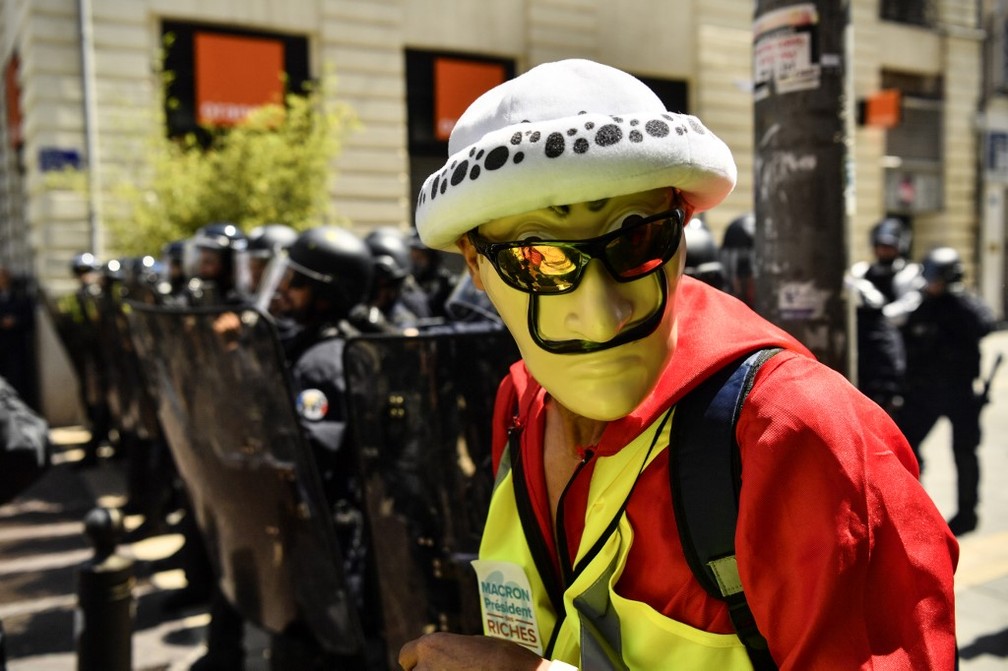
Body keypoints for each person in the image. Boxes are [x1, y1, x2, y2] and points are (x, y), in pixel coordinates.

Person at [399, 59, 957, 670]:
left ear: (683, 232)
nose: (602, 313)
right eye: (536, 261)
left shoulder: (795, 433)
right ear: (474, 267)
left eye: (638, 239)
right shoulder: (521, 404)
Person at [898, 246, 997, 536]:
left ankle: (967, 512)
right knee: (906, 444)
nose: (932, 286)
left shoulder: (965, 305)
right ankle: (914, 504)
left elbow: (986, 323)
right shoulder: (924, 304)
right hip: (925, 392)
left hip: (960, 392)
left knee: (965, 452)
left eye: (937, 280)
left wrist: (956, 297)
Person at [844, 217, 923, 415]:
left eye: (889, 246)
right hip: (867, 351)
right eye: (880, 245)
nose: (883, 250)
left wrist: (877, 312)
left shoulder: (909, 273)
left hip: (902, 349)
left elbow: (906, 309)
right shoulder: (862, 271)